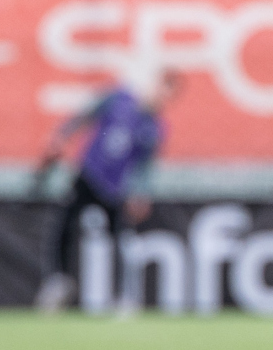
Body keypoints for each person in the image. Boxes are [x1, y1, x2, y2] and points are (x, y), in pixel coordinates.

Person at [32, 72, 178, 314]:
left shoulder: (154, 127)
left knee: (121, 240)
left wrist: (141, 193)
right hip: (89, 174)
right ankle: (58, 280)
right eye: (161, 88)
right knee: (64, 224)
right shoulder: (119, 98)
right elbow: (84, 116)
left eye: (167, 94)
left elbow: (144, 166)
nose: (161, 96)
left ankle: (125, 295)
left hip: (115, 189)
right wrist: (60, 137)